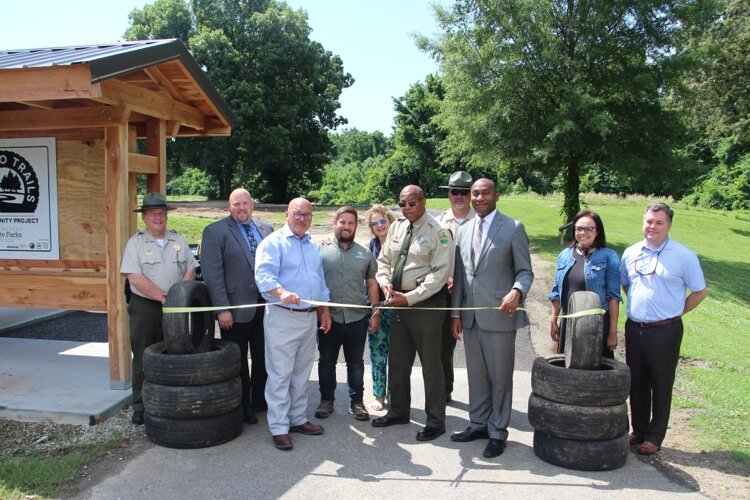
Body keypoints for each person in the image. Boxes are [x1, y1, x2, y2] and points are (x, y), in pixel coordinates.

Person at [450, 178, 533, 458]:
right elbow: (461, 276)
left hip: (500, 315)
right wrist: (456, 313)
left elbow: (525, 271)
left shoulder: (513, 228)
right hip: (471, 317)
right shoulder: (463, 230)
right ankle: (478, 424)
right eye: (475, 193)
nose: (479, 198)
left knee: (500, 378)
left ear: (497, 195)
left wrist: (517, 292)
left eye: (485, 193)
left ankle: (498, 431)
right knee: (477, 377)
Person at [620, 203, 707, 455]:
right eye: (649, 221)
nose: (652, 227)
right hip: (635, 327)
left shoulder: (684, 256)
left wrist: (675, 311)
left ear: (669, 225)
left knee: (660, 381)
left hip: (665, 330)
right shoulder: (631, 252)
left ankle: (655, 436)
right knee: (636, 381)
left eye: (659, 222)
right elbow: (627, 285)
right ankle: (638, 430)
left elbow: (700, 292)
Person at [373, 185, 453, 442]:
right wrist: (385, 282)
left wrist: (409, 298)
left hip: (425, 306)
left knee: (431, 365)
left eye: (412, 203)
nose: (406, 208)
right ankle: (398, 411)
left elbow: (439, 275)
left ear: (424, 202)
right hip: (396, 303)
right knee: (398, 361)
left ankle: (435, 421)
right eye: (402, 204)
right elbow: (384, 261)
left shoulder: (439, 232)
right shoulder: (396, 227)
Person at [255, 197, 332, 451]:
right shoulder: (273, 243)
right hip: (283, 316)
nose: (302, 219)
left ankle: (297, 418)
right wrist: (280, 291)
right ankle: (278, 426)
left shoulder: (311, 246)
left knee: (301, 372)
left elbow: (319, 283)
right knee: (280, 374)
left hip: (309, 318)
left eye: (307, 215)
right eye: (298, 214)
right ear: (287, 214)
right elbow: (264, 276)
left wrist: (324, 311)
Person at [120, 192, 198, 425]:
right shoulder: (136, 243)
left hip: (176, 307)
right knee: (144, 355)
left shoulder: (178, 240)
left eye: (162, 213)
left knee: (176, 352)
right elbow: (134, 277)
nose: (159, 217)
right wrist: (163, 297)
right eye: (154, 213)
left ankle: (172, 400)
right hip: (146, 306)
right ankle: (140, 406)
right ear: (144, 217)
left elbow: (191, 269)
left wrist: (178, 295)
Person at [201, 188, 274, 425]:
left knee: (264, 356)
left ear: (252, 204)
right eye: (236, 204)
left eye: (245, 203)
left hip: (265, 307)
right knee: (238, 359)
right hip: (234, 309)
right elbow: (213, 274)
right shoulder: (215, 232)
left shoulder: (267, 230)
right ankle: (242, 406)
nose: (241, 208)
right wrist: (222, 308)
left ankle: (260, 401)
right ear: (228, 206)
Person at [314, 206, 380, 422]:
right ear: (335, 224)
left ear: (356, 226)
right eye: (342, 222)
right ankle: (326, 401)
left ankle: (356, 403)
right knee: (326, 362)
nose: (346, 226)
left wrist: (375, 312)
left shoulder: (365, 254)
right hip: (328, 319)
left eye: (350, 223)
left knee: (356, 364)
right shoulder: (319, 250)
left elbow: (372, 284)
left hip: (356, 319)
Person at [549, 210, 621, 358]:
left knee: (595, 374)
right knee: (567, 372)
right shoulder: (564, 255)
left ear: (598, 231)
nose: (583, 232)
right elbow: (556, 292)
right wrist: (553, 320)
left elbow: (613, 298)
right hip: (568, 324)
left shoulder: (608, 256)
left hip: (597, 326)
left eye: (589, 229)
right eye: (579, 228)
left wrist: (612, 332)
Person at [435, 170, 475, 402]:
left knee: (478, 347)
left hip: (473, 293)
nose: (459, 196)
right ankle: (444, 389)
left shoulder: (479, 221)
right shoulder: (439, 222)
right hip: (446, 293)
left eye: (464, 192)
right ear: (448, 194)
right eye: (454, 192)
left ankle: (483, 397)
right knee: (443, 346)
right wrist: (445, 278)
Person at [364, 204, 396, 411]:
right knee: (377, 352)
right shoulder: (370, 247)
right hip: (376, 307)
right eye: (374, 223)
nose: (379, 225)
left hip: (398, 306)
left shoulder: (401, 245)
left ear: (390, 222)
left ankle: (395, 395)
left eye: (382, 221)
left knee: (397, 353)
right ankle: (378, 395)